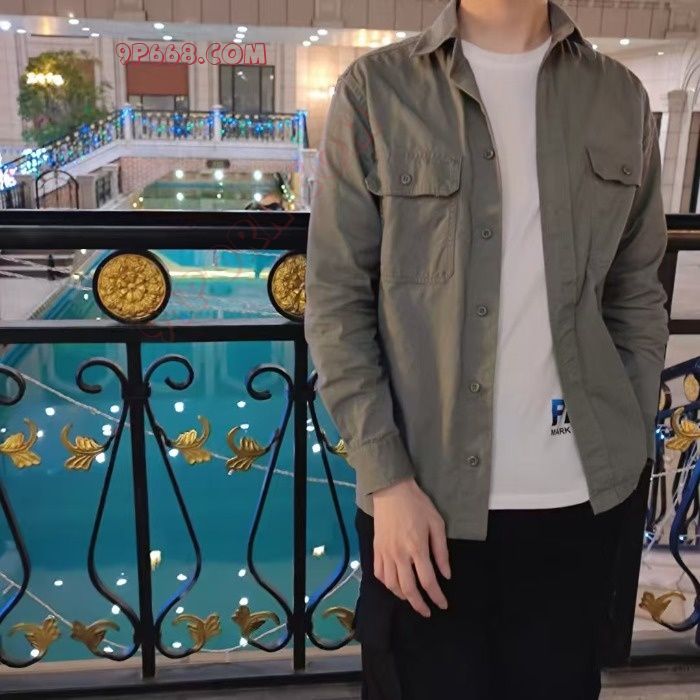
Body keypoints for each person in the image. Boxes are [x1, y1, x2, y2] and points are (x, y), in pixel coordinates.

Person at [305, 0, 669, 697]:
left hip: (580, 502)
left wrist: (628, 436)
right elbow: (336, 300)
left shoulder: (619, 97)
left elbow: (636, 292)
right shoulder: (377, 90)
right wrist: (387, 480)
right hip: (422, 503)